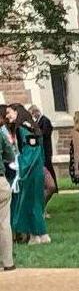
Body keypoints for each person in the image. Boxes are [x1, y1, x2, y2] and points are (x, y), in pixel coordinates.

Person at [5, 102, 50, 245]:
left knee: (29, 202)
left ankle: (36, 234)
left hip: (29, 170)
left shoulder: (23, 128)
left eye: (9, 113)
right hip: (36, 169)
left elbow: (31, 151)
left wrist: (19, 165)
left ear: (17, 112)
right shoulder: (32, 127)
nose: (7, 116)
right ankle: (40, 233)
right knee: (36, 203)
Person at [0, 112, 15, 271]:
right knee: (4, 223)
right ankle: (8, 262)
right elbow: (11, 155)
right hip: (0, 180)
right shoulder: (1, 133)